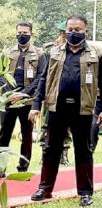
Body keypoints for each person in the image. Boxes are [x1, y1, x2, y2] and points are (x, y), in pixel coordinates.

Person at [29, 15, 102, 206]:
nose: (73, 32)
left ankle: (85, 193)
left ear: (86, 31)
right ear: (65, 30)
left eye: (78, 29)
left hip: (84, 109)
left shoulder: (96, 54)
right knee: (51, 149)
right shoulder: (54, 52)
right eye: (70, 29)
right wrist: (36, 105)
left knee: (84, 151)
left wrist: (100, 108)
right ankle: (44, 189)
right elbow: (43, 79)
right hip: (57, 108)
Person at [0, 21, 46, 179]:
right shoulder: (7, 52)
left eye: (25, 33)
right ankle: (0, 168)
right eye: (19, 32)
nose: (21, 35)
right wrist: (10, 95)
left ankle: (23, 168)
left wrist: (22, 94)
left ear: (32, 34)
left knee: (27, 135)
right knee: (4, 135)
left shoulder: (39, 54)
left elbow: (41, 78)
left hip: (28, 102)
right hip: (9, 101)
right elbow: (0, 74)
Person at [41, 21, 71, 166]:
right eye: (63, 33)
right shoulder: (53, 51)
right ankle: (45, 154)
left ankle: (64, 155)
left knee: (67, 128)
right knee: (47, 126)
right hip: (52, 96)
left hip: (68, 96)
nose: (65, 36)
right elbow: (45, 75)